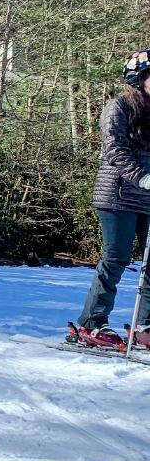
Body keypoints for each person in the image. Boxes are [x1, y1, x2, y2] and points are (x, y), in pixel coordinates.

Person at [75, 50, 150, 350]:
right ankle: (92, 321)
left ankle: (145, 324)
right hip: (118, 196)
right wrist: (141, 177)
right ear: (139, 78)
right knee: (117, 256)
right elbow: (115, 149)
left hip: (147, 198)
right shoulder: (118, 107)